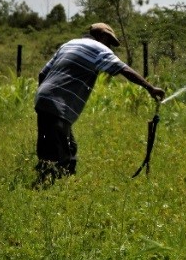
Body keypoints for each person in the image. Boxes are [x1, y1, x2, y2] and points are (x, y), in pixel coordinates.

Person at [33, 22, 165, 185]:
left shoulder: (69, 44)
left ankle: (59, 186)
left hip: (45, 100)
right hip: (58, 105)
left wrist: (45, 99)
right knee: (61, 156)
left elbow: (42, 74)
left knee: (63, 149)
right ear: (102, 37)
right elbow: (123, 69)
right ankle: (49, 190)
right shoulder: (99, 48)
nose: (110, 47)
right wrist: (150, 88)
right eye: (109, 42)